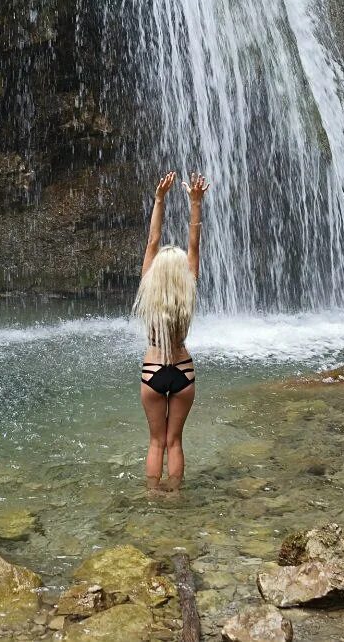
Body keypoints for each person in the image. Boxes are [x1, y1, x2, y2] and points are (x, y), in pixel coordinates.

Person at [134, 170, 210, 491]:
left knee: (155, 442)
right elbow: (194, 245)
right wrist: (195, 203)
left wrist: (159, 199)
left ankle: (152, 497)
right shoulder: (188, 289)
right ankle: (175, 497)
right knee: (175, 442)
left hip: (153, 368)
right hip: (183, 369)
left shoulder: (148, 290)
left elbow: (153, 241)